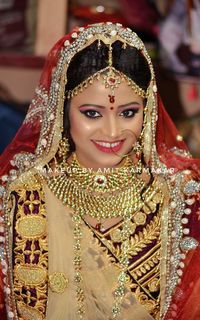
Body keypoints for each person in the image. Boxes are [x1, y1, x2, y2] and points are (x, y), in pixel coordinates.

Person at [0, 22, 200, 320]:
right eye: (91, 113)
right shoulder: (25, 195)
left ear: (148, 112)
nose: (112, 131)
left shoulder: (180, 197)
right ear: (62, 112)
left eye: (128, 112)